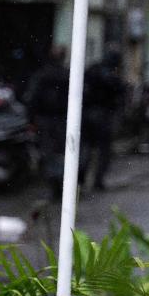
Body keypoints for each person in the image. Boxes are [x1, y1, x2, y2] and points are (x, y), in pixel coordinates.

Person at [24, 46, 70, 200]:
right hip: (61, 120)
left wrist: (31, 119)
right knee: (63, 152)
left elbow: (31, 98)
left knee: (50, 153)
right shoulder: (66, 75)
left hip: (47, 120)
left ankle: (56, 184)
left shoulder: (42, 75)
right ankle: (61, 185)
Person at [81, 49, 125, 190]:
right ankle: (97, 181)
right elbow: (119, 90)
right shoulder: (110, 74)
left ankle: (81, 179)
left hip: (89, 113)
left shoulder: (93, 69)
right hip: (102, 114)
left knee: (87, 148)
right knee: (102, 149)